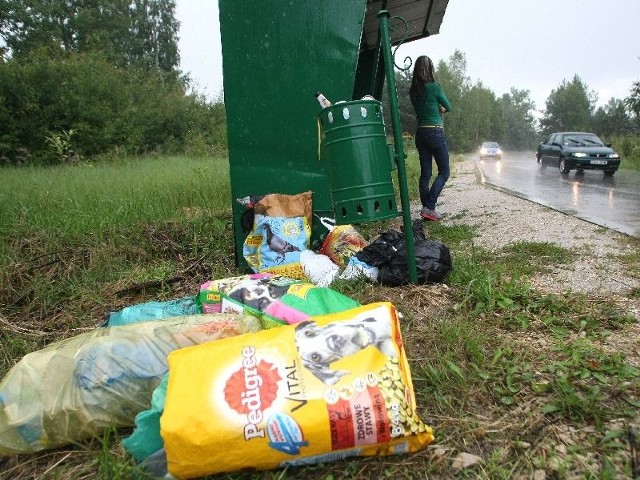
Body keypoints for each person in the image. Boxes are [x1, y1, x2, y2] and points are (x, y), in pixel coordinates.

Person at [409, 55, 452, 221]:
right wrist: (440, 109)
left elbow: (423, 109)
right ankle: (429, 206)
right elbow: (448, 106)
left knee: (425, 174)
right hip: (434, 132)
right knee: (444, 171)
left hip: (420, 133)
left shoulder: (414, 91)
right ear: (430, 69)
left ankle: (427, 209)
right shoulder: (434, 87)